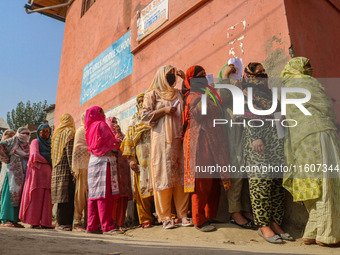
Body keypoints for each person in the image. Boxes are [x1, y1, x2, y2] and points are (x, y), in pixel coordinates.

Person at [281, 57, 340, 247]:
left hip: (299, 141)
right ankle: (328, 235)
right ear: (298, 68)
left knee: (312, 184)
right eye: (306, 66)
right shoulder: (308, 82)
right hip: (320, 133)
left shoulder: (286, 88)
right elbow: (326, 109)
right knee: (327, 182)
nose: (310, 69)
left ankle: (312, 232)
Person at [240, 62, 292, 243]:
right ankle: (263, 225)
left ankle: (275, 222)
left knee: (277, 183)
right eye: (258, 72)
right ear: (250, 75)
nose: (263, 75)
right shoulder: (246, 94)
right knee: (261, 183)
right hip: (258, 141)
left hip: (276, 139)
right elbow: (247, 116)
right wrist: (255, 137)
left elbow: (278, 113)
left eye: (263, 72)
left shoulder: (269, 94)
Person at [141, 65, 192, 229]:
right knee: (163, 177)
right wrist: (163, 110)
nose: (171, 77)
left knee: (180, 176)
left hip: (179, 139)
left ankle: (182, 214)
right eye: (168, 74)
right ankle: (165, 217)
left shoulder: (177, 92)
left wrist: (185, 79)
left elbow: (189, 100)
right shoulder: (152, 94)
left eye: (172, 74)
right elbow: (144, 116)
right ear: (160, 76)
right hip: (161, 141)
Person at [182, 65, 231, 232]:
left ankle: (210, 215)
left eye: (204, 75)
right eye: (199, 76)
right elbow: (197, 114)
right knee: (202, 181)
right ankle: (198, 219)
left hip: (213, 140)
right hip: (199, 141)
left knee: (214, 180)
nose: (203, 78)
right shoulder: (191, 96)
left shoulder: (208, 94)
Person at [217, 58, 254, 228]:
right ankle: (234, 212)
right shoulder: (223, 94)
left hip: (245, 132)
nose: (235, 81)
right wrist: (225, 77)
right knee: (237, 171)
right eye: (231, 79)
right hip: (231, 133)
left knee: (246, 173)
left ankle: (246, 209)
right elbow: (222, 96)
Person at [120, 93, 154, 228]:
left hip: (156, 157)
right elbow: (128, 140)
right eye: (139, 101)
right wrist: (132, 159)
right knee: (142, 190)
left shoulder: (154, 115)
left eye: (143, 100)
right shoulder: (134, 120)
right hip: (141, 159)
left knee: (159, 187)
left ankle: (162, 215)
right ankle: (145, 219)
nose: (141, 103)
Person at [85, 106, 120, 235]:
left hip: (93, 162)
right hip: (104, 161)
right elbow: (111, 143)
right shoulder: (101, 124)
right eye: (101, 112)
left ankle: (92, 226)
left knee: (93, 196)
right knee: (104, 195)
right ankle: (107, 226)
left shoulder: (88, 129)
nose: (104, 114)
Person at [19, 124, 53, 229]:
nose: (45, 133)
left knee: (46, 197)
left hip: (47, 175)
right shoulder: (35, 142)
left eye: (47, 131)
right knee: (36, 196)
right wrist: (48, 160)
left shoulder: (50, 144)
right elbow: (34, 156)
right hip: (36, 174)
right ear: (39, 132)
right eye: (43, 131)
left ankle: (45, 223)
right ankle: (33, 221)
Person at [0, 127, 30, 228]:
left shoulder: (26, 145)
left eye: (27, 133)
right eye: (23, 133)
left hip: (22, 175)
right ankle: (5, 219)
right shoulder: (13, 141)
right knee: (9, 195)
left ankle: (14, 220)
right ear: (18, 133)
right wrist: (6, 158)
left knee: (18, 196)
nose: (25, 135)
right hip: (12, 174)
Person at [106, 116, 132, 232]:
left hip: (124, 170)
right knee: (114, 196)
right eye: (113, 122)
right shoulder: (107, 136)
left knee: (123, 196)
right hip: (113, 169)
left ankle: (121, 222)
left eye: (116, 122)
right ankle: (111, 222)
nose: (115, 124)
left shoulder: (121, 134)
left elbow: (127, 146)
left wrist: (120, 135)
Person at [51, 113, 76, 231]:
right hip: (66, 168)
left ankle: (59, 222)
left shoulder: (56, 134)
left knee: (60, 197)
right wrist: (73, 167)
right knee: (68, 196)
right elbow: (69, 152)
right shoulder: (69, 132)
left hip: (56, 169)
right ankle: (65, 224)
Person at [72, 113, 90, 231]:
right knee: (80, 195)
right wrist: (92, 148)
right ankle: (77, 221)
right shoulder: (81, 130)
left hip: (91, 166)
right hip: (82, 166)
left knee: (89, 195)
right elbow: (77, 148)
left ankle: (89, 222)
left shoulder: (89, 130)